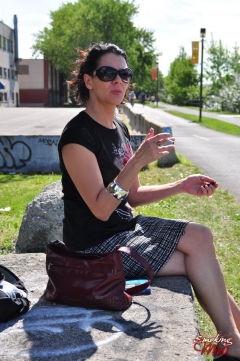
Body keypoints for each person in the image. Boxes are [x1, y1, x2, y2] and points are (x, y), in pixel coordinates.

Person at [58, 43, 240, 360]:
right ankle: (229, 343)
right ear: (89, 81)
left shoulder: (119, 128)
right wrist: (138, 161)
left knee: (201, 236)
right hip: (93, 250)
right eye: (107, 73)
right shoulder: (77, 136)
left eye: (124, 74)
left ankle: (231, 338)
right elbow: (101, 209)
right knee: (195, 263)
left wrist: (182, 184)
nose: (118, 81)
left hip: (126, 232)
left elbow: (135, 196)